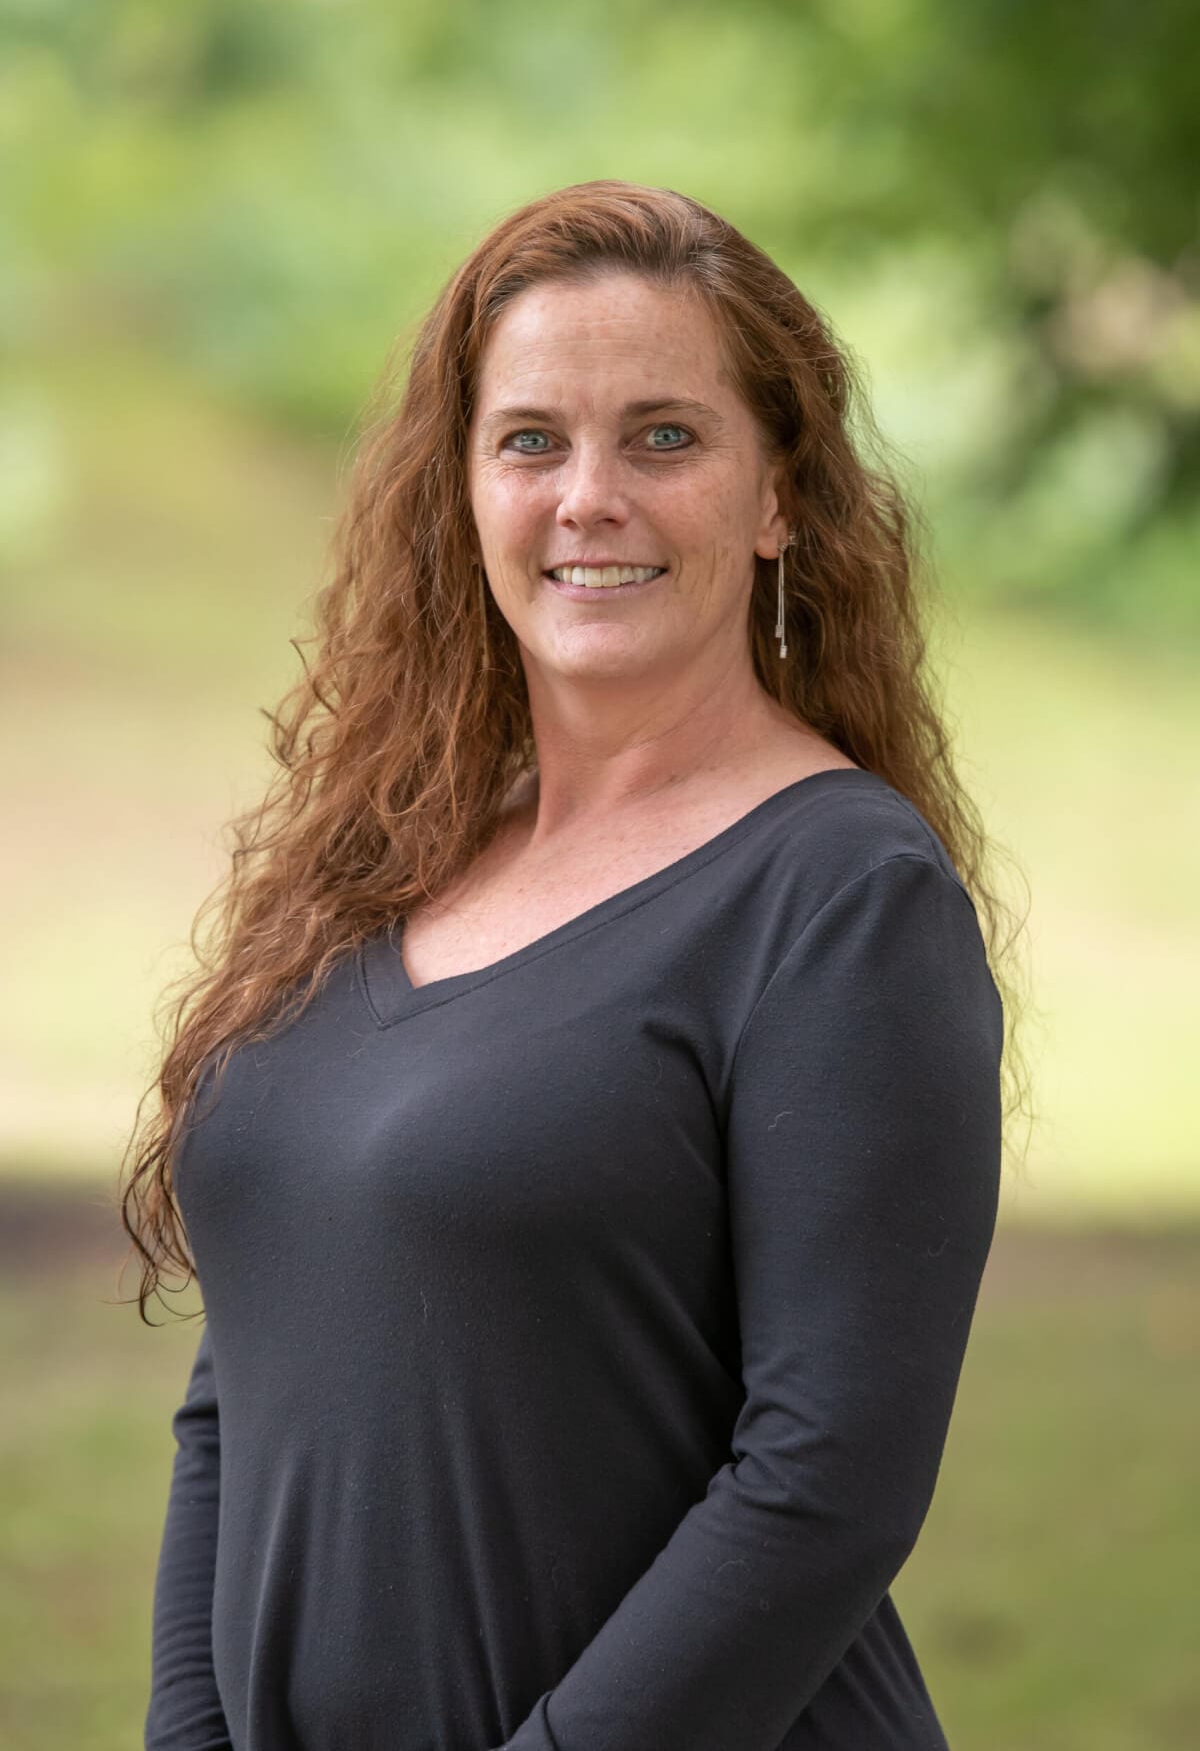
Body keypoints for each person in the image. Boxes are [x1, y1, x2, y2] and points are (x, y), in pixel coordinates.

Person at [123, 178, 1028, 1751]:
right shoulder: (390, 858)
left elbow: (826, 1482)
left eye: (664, 438)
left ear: (778, 499)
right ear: (464, 487)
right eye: (531, 439)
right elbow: (252, 1366)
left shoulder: (840, 894)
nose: (587, 496)